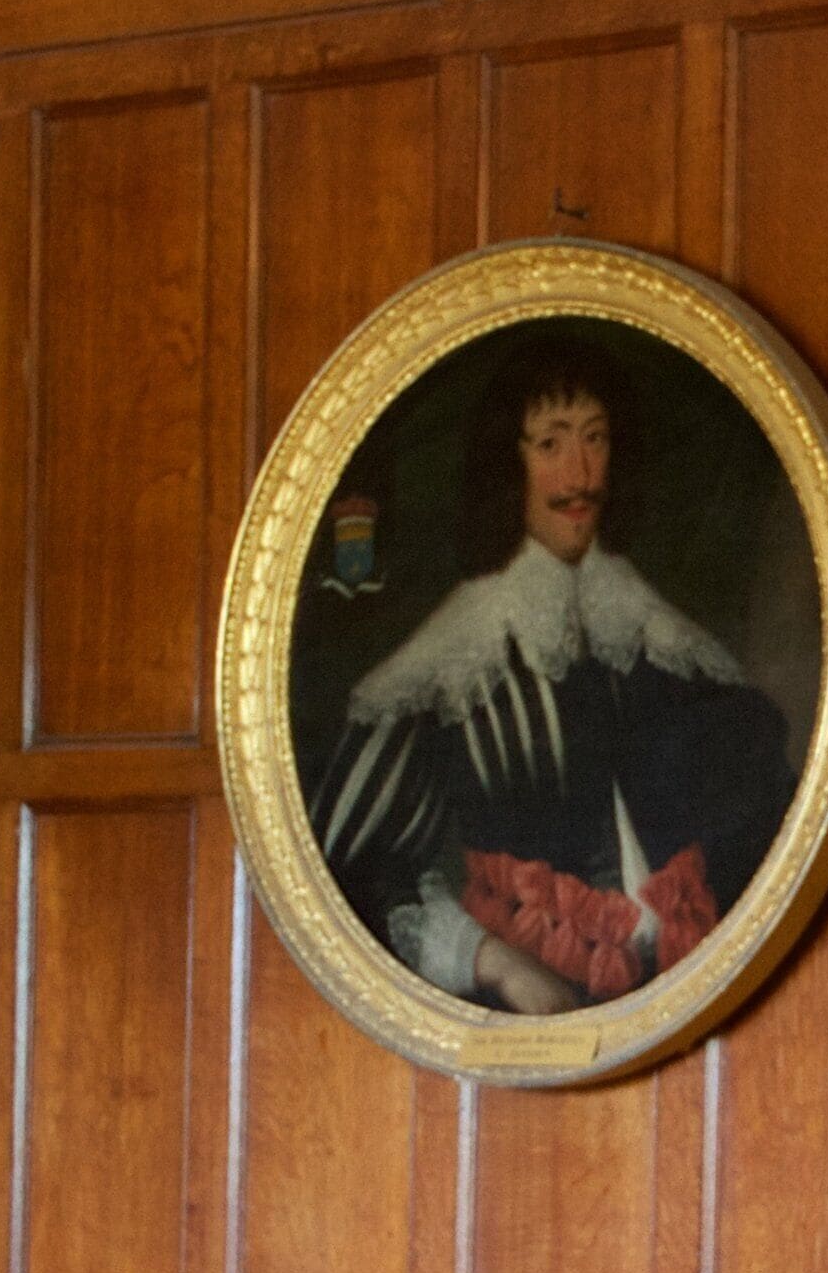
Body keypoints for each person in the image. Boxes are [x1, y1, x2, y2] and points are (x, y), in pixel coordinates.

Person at [308, 333, 793, 1014]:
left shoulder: (654, 631)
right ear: (507, 466)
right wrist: (497, 962)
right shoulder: (455, 658)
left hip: (692, 995)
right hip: (529, 1012)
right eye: (551, 444)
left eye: (596, 439)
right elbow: (347, 873)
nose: (581, 473)